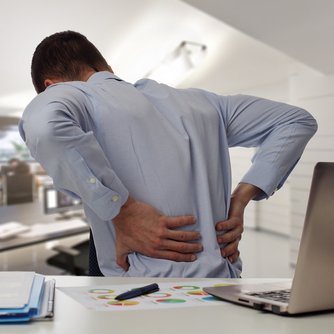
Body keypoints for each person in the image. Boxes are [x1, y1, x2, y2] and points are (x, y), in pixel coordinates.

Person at [19, 31, 317, 278]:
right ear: (108, 69)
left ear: (51, 87)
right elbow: (296, 121)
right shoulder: (202, 103)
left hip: (146, 296)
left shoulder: (73, 95)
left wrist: (122, 210)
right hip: (224, 286)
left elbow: (45, 128)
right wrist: (241, 197)